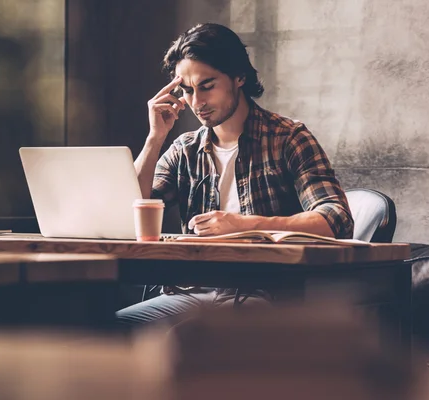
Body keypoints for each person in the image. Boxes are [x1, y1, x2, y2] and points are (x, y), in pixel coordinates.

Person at [117, 23, 354, 326]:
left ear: (239, 77)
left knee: (189, 339)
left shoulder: (288, 138)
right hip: (190, 292)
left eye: (207, 85)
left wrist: (245, 226)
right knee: (112, 331)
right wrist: (154, 138)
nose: (196, 102)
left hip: (262, 295)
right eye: (187, 90)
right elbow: (130, 209)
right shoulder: (184, 149)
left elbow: (337, 219)